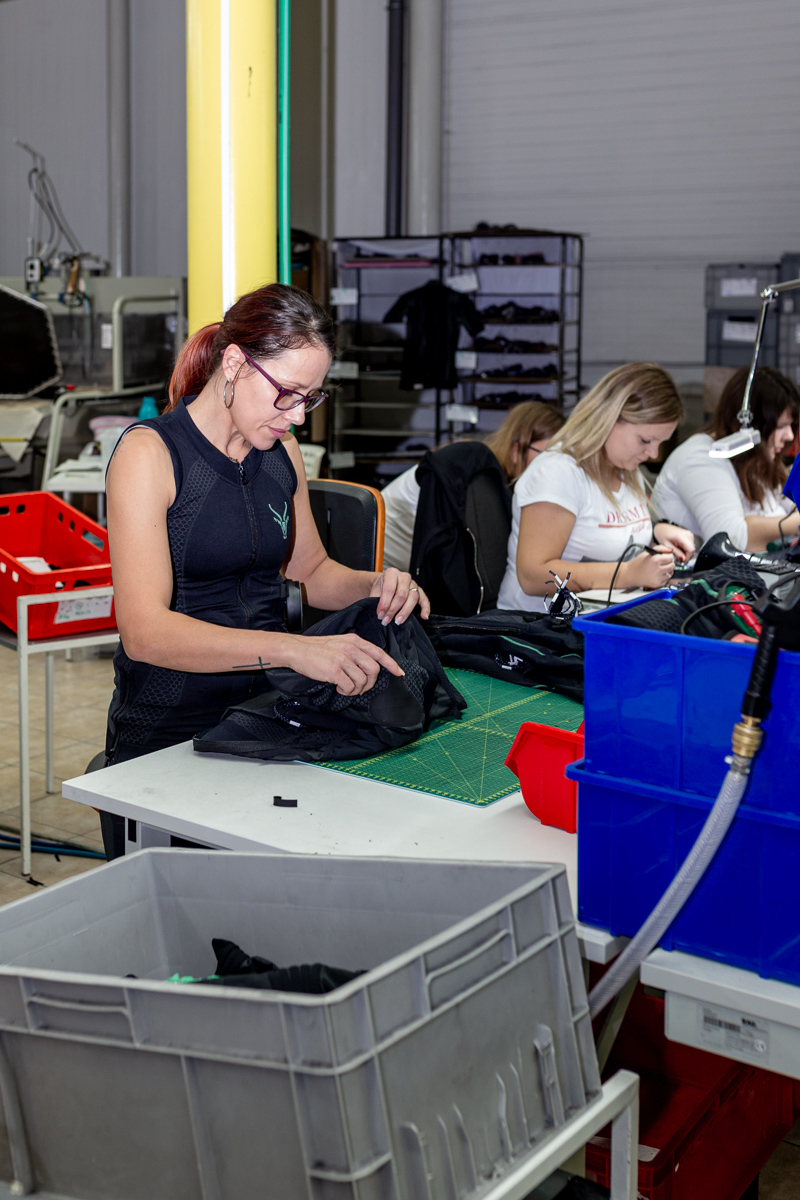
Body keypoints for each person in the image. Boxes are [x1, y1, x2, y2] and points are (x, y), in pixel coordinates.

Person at [103, 283, 430, 784]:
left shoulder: (282, 454)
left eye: (309, 398)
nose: (297, 416)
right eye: (286, 393)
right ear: (235, 363)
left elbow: (311, 571)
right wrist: (292, 649)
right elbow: (144, 633)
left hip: (270, 711)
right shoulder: (149, 455)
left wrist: (376, 584)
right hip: (169, 727)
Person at [497, 363, 695, 612]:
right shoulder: (557, 473)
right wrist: (626, 574)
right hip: (539, 625)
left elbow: (602, 531)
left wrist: (657, 533)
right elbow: (533, 576)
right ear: (610, 419)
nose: (653, 453)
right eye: (645, 440)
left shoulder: (625, 468)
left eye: (660, 443)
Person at [381, 401, 565, 572]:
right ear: (516, 450)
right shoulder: (474, 475)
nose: (554, 465)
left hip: (409, 563)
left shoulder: (489, 476)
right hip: (382, 560)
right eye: (546, 454)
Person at [651, 367, 800, 552]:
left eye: (791, 425)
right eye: (781, 426)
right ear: (750, 424)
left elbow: (792, 505)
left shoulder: (754, 459)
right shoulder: (700, 459)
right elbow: (732, 539)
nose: (789, 436)